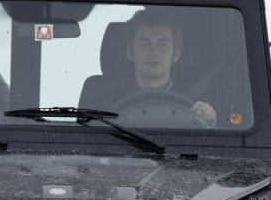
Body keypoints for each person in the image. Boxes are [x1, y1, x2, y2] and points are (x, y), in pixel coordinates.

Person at [84, 9, 217, 126]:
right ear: (130, 52)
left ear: (176, 54)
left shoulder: (198, 106)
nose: (153, 52)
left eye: (162, 44)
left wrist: (211, 123)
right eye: (144, 44)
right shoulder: (104, 105)